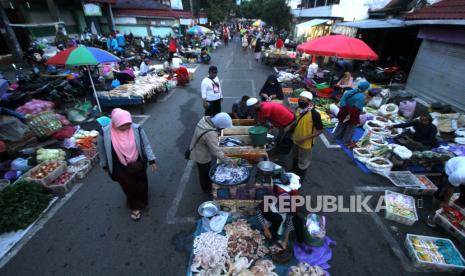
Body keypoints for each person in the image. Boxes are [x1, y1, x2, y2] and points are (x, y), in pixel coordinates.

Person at [97, 108, 157, 221]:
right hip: (118, 165)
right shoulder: (104, 133)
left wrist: (152, 160)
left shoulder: (136, 129)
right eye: (122, 126)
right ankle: (135, 206)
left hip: (137, 162)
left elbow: (146, 145)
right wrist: (104, 165)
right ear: (115, 122)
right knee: (129, 186)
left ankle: (142, 200)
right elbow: (102, 151)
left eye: (128, 124)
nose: (126, 128)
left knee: (141, 182)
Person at [189, 113, 233, 193]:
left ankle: (206, 186)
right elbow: (216, 151)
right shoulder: (210, 134)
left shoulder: (205, 119)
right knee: (204, 173)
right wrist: (229, 161)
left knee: (203, 171)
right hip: (201, 155)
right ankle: (206, 189)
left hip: (196, 147)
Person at [292, 91, 323, 180]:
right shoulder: (298, 109)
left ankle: (300, 179)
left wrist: (305, 138)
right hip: (296, 139)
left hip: (306, 144)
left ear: (309, 101)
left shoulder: (314, 114)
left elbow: (320, 130)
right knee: (295, 157)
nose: (300, 101)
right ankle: (293, 172)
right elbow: (297, 120)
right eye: (300, 99)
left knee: (303, 162)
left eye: (303, 100)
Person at [427, 157, 465, 227]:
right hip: (451, 169)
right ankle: (433, 214)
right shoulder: (459, 175)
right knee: (441, 194)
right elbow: (450, 188)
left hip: (459, 174)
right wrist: (445, 202)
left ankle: (454, 214)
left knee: (463, 200)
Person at [333, 81, 371, 148]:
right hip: (352, 113)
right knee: (350, 128)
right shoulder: (361, 96)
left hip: (344, 110)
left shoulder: (349, 91)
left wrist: (346, 109)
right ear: (365, 88)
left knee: (341, 123)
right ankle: (346, 141)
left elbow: (342, 101)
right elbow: (357, 108)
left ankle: (336, 136)